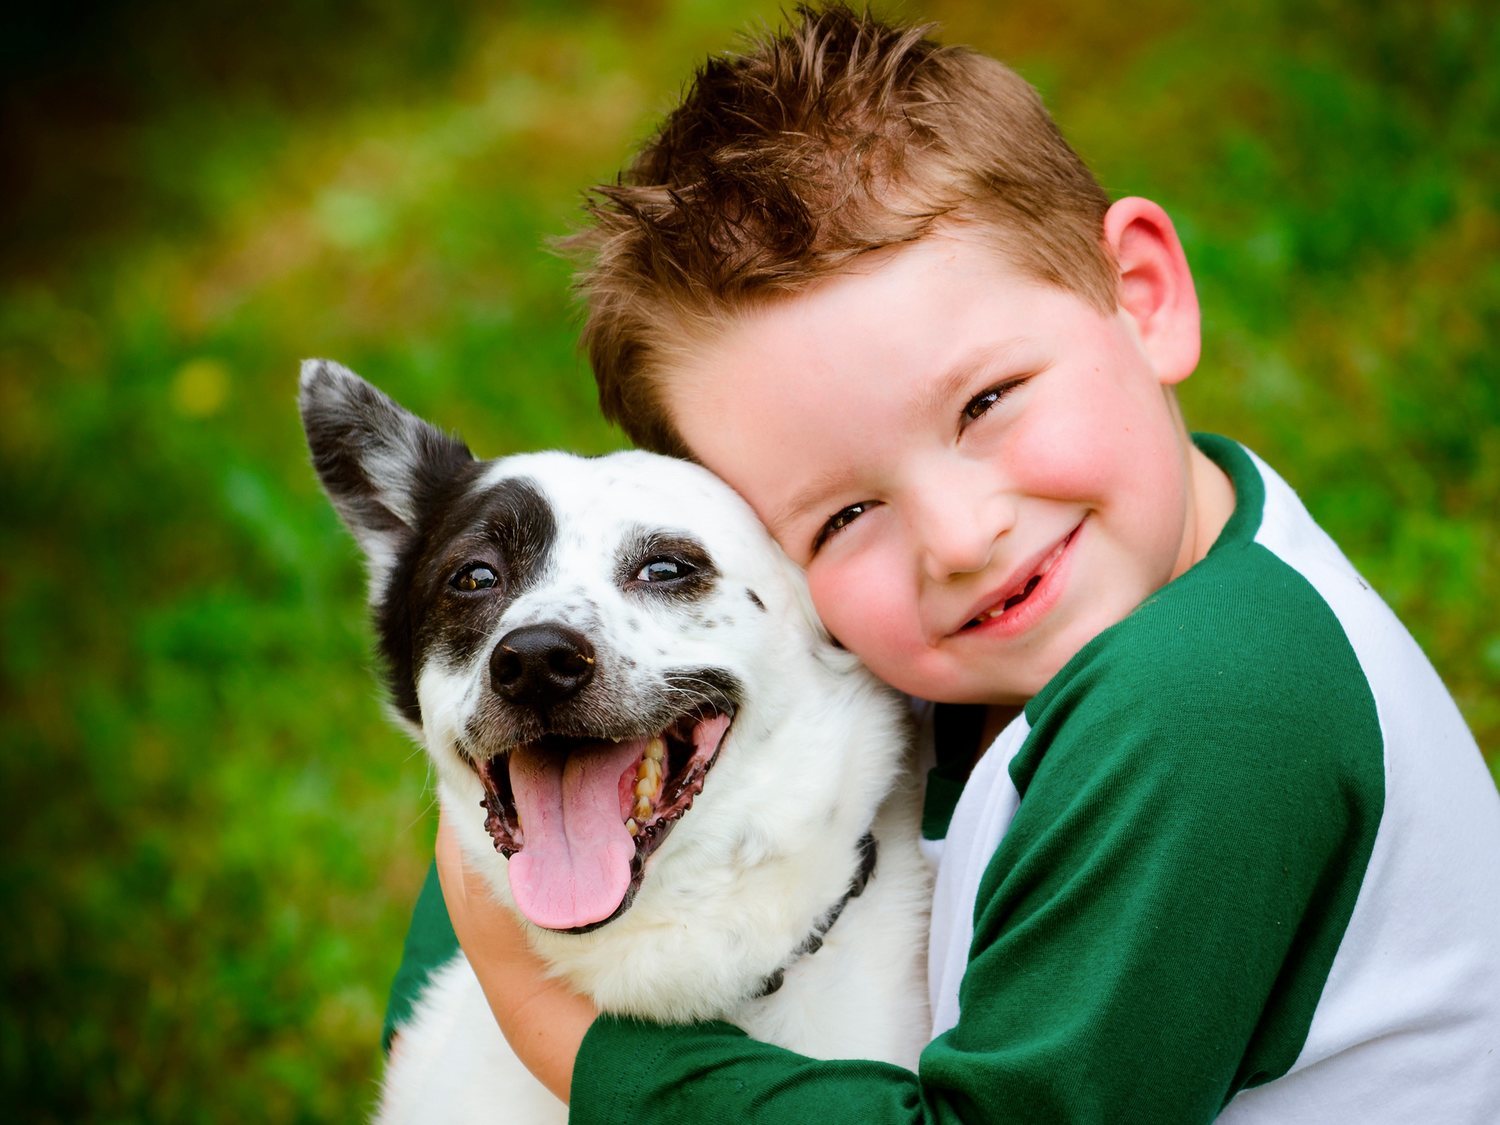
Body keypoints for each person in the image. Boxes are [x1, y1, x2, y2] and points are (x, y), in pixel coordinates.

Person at [392, 5, 1500, 1120]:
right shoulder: (999, 644)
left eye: (986, 403)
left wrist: (566, 1037)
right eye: (846, 513)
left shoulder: (1209, 706)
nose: (961, 539)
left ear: (1144, 297)